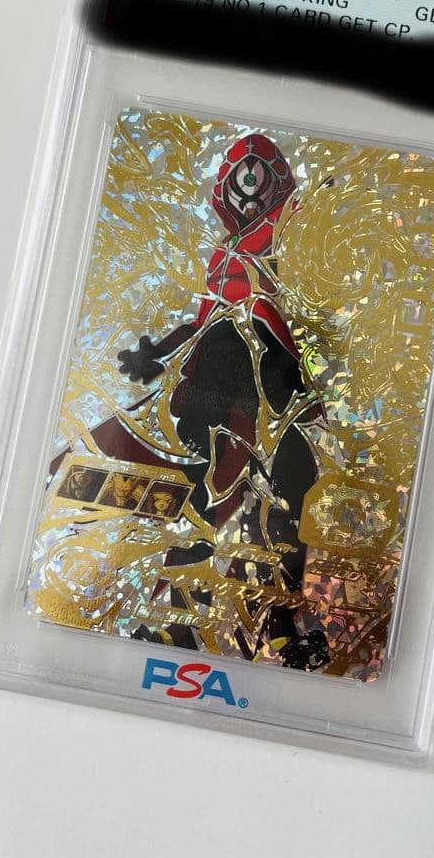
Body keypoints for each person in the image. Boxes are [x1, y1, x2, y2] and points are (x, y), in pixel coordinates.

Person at [86, 133, 328, 669]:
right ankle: (177, 617)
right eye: (241, 177)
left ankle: (277, 620)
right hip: (222, 369)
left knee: (287, 484)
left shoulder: (287, 232)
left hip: (268, 368)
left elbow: (303, 302)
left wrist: (313, 377)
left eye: (259, 176)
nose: (250, 187)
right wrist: (156, 352)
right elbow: (203, 317)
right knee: (215, 485)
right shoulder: (224, 255)